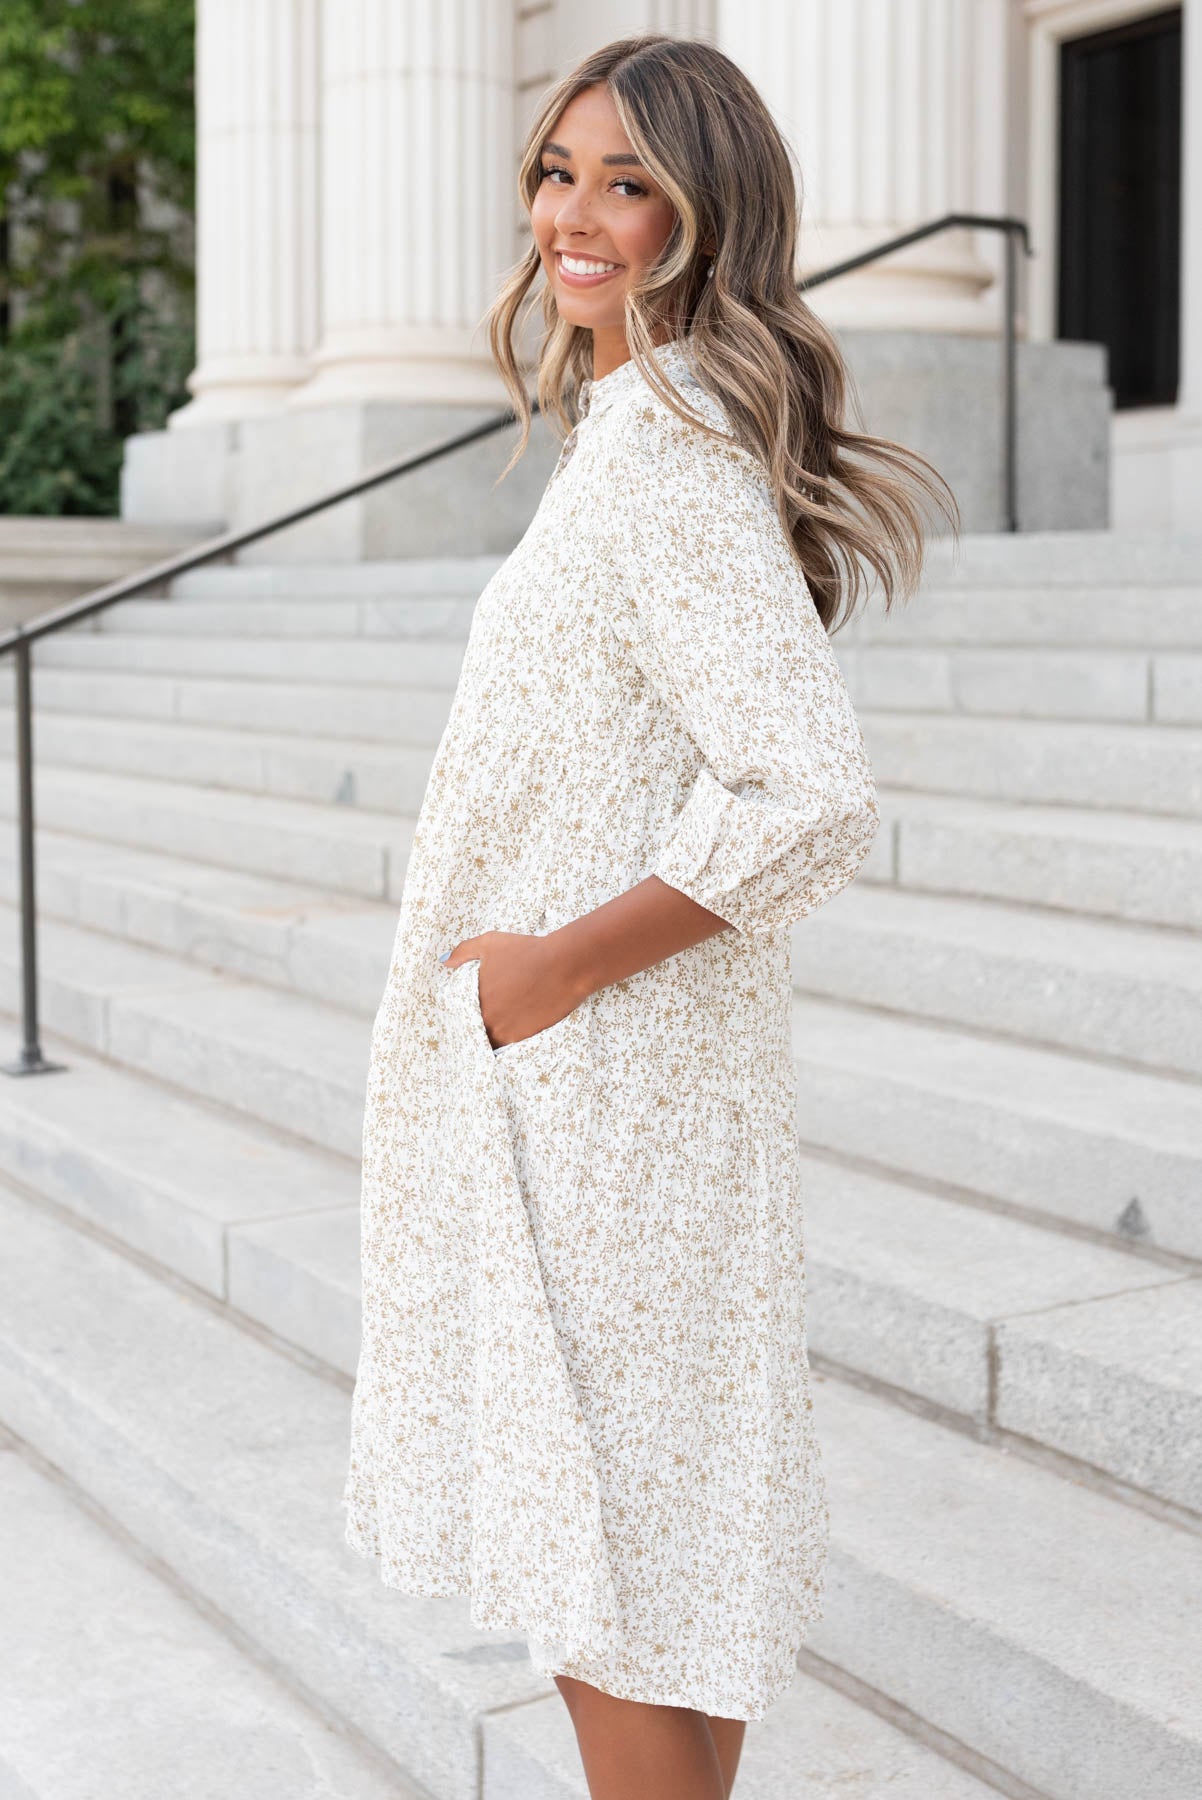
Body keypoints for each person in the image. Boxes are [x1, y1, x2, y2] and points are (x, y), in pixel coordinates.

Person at [344, 30, 959, 1800]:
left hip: (601, 1103)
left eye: (629, 182)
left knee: (608, 1578)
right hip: (629, 1094)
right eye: (559, 170)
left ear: (708, 216)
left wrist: (544, 971)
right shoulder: (653, 427)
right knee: (658, 1575)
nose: (576, 216)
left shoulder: (664, 447)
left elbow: (804, 790)